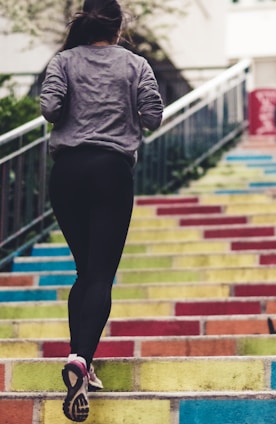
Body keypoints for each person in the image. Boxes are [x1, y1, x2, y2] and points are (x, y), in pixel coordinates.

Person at [40, 0, 163, 421]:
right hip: (110, 171)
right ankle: (79, 359)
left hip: (67, 172)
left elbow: (50, 110)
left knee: (84, 271)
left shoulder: (63, 61)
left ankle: (82, 360)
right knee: (100, 275)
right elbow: (153, 117)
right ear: (118, 26)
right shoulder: (136, 65)